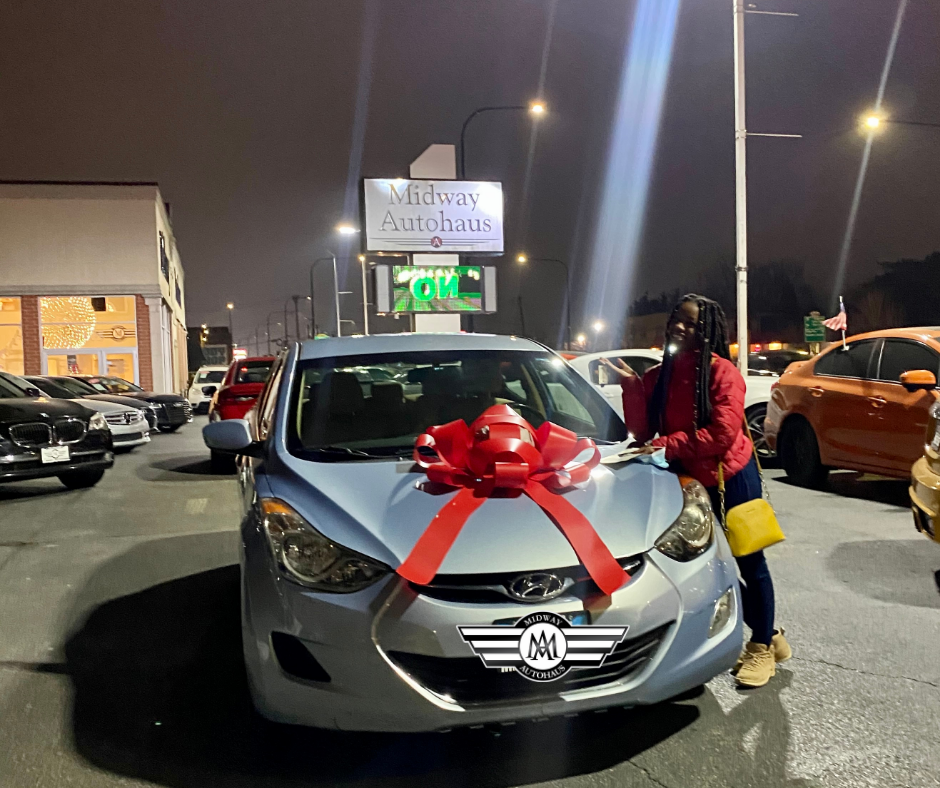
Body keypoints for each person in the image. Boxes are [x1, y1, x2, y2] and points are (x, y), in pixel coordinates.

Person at [600, 294, 790, 688]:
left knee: (749, 563)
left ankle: (760, 646)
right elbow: (642, 431)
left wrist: (668, 444)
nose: (679, 326)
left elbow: (722, 434)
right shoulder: (660, 375)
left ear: (707, 330)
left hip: (730, 477)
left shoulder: (723, 373)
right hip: (686, 483)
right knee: (707, 566)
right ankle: (768, 633)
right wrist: (632, 386)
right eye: (676, 318)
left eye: (690, 323)